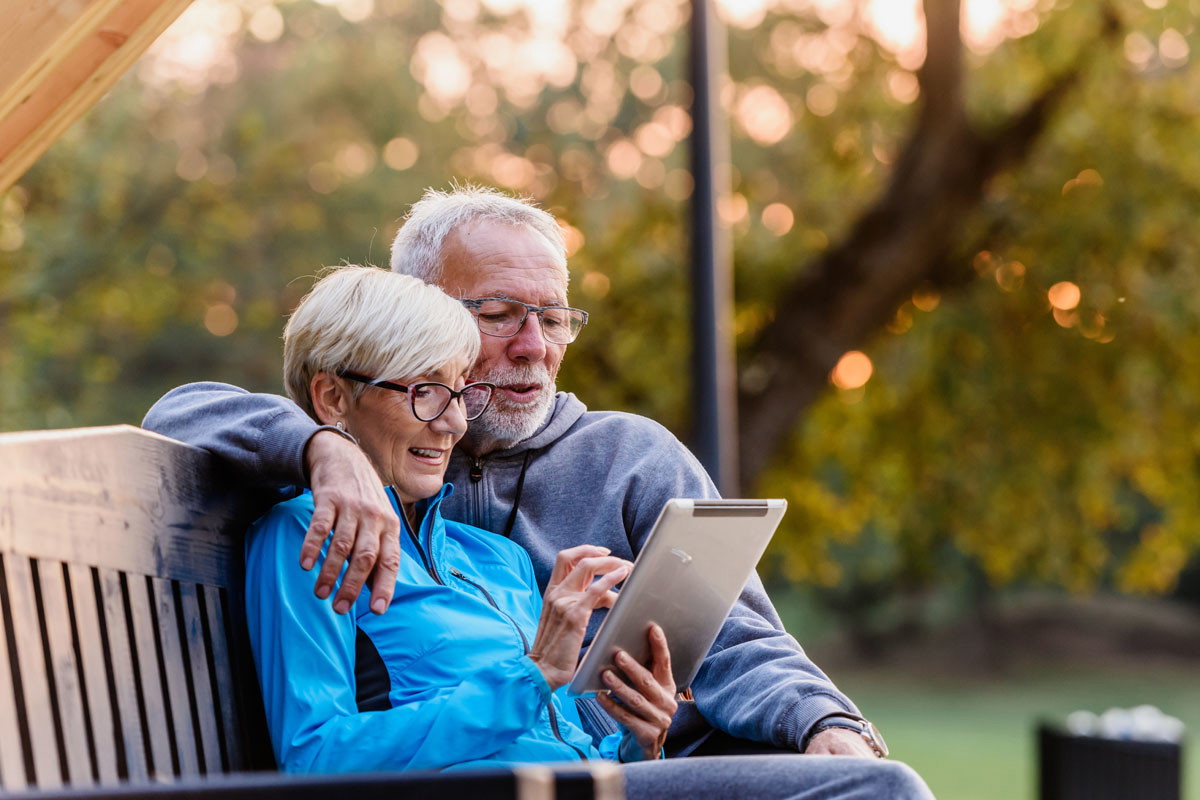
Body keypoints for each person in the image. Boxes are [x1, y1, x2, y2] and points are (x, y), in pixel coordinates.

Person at [142, 186, 902, 763]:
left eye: (556, 317)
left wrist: (822, 722)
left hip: (654, 767)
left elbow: (736, 637)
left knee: (866, 779)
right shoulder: (330, 495)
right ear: (423, 314)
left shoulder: (619, 465)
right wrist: (323, 448)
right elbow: (182, 411)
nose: (534, 345)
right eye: (500, 313)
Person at [244, 264, 932, 800]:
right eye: (424, 392)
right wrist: (534, 673)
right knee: (876, 791)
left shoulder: (495, 558)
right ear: (334, 397)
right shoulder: (304, 537)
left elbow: (562, 736)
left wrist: (639, 738)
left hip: (585, 788)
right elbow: (317, 758)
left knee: (859, 782)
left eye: (459, 393)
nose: (452, 423)